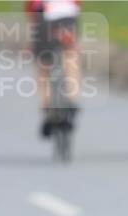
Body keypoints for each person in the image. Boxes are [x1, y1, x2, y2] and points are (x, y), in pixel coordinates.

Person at [25, 0, 81, 138]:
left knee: (42, 66)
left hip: (44, 17)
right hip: (68, 17)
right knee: (70, 56)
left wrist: (29, 45)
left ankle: (46, 108)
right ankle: (72, 100)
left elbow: (32, 12)